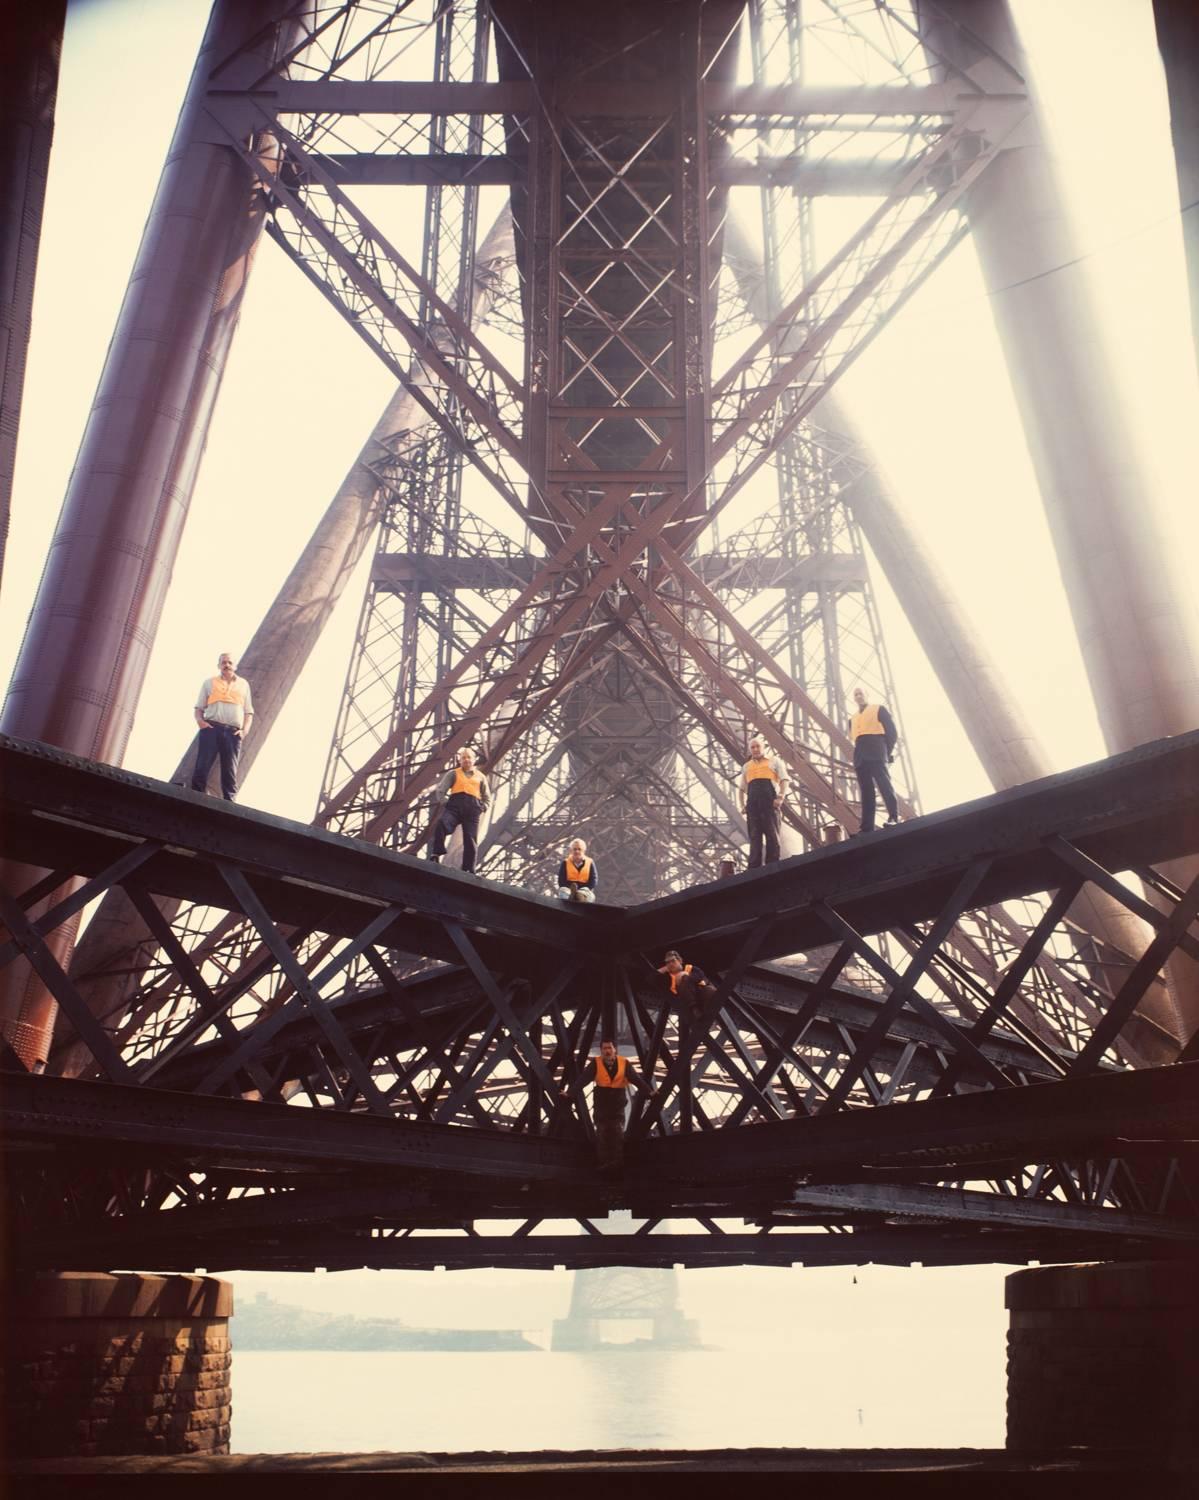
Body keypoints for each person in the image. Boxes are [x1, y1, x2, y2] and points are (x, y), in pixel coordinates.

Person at [562, 1038, 652, 1173]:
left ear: (615, 1049)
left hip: (616, 1106)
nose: (607, 1051)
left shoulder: (624, 1063)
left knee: (616, 1135)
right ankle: (606, 1166)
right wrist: (570, 1093)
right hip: (602, 1107)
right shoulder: (596, 1064)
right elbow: (583, 1080)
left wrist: (649, 1092)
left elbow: (636, 1079)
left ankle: (615, 1165)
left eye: (609, 1048)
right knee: (603, 1135)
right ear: (601, 1050)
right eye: (604, 1048)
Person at [191, 652, 254, 802]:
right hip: (211, 729)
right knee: (201, 767)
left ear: (235, 666)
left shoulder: (244, 685)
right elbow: (198, 708)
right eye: (224, 662)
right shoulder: (209, 683)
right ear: (219, 665)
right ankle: (194, 799)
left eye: (230, 662)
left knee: (230, 772)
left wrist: (244, 731)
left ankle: (230, 803)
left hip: (233, 733)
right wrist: (201, 723)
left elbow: (248, 712)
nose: (227, 665)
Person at [429, 746, 490, 873]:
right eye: (463, 758)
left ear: (474, 759)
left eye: (468, 757)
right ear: (459, 760)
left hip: (473, 809)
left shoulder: (481, 777)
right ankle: (436, 853)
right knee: (441, 824)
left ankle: (469, 868)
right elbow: (441, 790)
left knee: (470, 839)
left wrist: (482, 807)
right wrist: (446, 803)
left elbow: (486, 796)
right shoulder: (453, 773)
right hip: (454, 807)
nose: (466, 760)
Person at [849, 685, 901, 832]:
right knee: (866, 792)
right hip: (860, 756)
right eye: (856, 694)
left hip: (877, 751)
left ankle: (893, 817)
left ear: (867, 695)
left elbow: (892, 733)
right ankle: (866, 827)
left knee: (884, 785)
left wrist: (886, 752)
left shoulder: (879, 709)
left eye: (861, 693)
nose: (859, 696)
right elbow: (856, 739)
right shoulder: (852, 719)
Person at [740, 735, 790, 867]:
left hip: (769, 802)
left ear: (764, 747)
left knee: (772, 835)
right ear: (750, 749)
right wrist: (742, 805)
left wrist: (780, 797)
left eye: (758, 746)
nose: (755, 749)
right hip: (753, 804)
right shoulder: (746, 766)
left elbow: (785, 779)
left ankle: (772, 865)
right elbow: (742, 788)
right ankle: (754, 867)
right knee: (754, 836)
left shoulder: (774, 761)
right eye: (753, 747)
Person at [658, 949, 718, 1022]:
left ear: (680, 961)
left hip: (700, 994)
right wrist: (664, 969)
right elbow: (651, 979)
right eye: (668, 962)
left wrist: (685, 976)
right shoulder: (668, 979)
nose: (671, 964)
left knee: (710, 990)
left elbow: (700, 976)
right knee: (685, 980)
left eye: (673, 961)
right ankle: (695, 1010)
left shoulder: (691, 968)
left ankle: (706, 1013)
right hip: (686, 1003)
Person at [557, 837, 597, 903]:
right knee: (563, 891)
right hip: (568, 890)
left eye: (579, 849)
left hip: (585, 890)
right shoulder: (565, 862)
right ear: (571, 850)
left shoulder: (590, 862)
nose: (577, 851)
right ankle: (575, 897)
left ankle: (577, 896)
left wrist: (585, 889)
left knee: (589, 894)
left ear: (583, 850)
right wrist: (569, 889)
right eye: (575, 849)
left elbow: (594, 879)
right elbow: (561, 880)